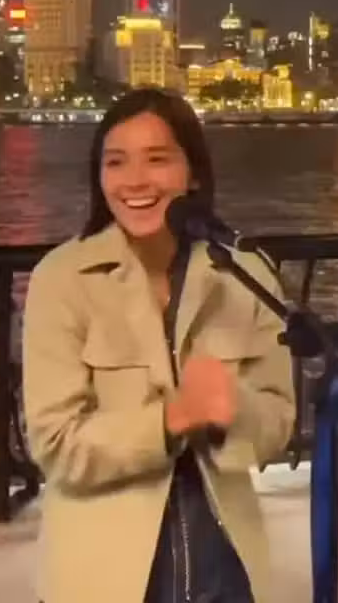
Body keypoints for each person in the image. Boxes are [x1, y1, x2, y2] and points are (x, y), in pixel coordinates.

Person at [23, 86, 295, 603]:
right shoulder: (61, 279)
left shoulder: (246, 274)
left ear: (194, 173)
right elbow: (56, 444)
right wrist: (172, 419)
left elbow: (277, 423)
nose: (135, 180)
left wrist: (232, 409)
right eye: (116, 162)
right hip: (99, 579)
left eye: (157, 159)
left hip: (226, 572)